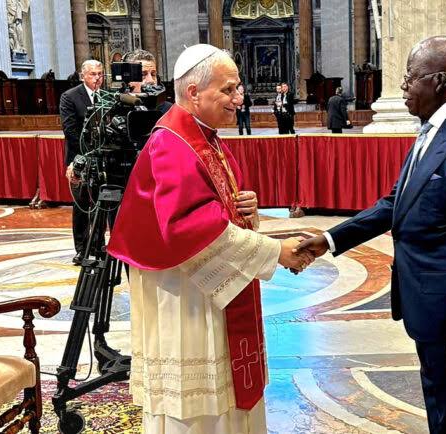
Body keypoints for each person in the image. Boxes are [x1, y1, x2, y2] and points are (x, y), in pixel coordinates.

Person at [297, 36, 446, 434]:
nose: (403, 86)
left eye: (411, 77)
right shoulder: (435, 128)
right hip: (429, 304)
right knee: (441, 406)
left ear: (440, 81)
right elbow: (397, 202)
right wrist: (330, 240)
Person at [106, 44, 313, 434]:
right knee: (199, 404)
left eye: (238, 88)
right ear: (193, 93)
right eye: (228, 89)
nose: (239, 98)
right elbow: (190, 227)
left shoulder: (204, 136)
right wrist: (276, 252)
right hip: (184, 291)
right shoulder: (172, 143)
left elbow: (214, 205)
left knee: (226, 392)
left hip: (206, 288)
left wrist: (244, 207)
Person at [59, 59, 104, 265]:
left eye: (100, 74)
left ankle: (99, 245)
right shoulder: (69, 97)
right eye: (93, 74)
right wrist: (88, 153)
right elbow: (70, 131)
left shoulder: (106, 96)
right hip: (79, 160)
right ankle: (82, 249)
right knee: (81, 205)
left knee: (100, 204)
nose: (97, 78)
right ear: (83, 76)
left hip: (102, 161)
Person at [122, 48, 173, 114]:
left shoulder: (169, 109)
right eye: (143, 74)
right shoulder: (118, 109)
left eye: (153, 74)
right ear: (127, 79)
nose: (151, 80)